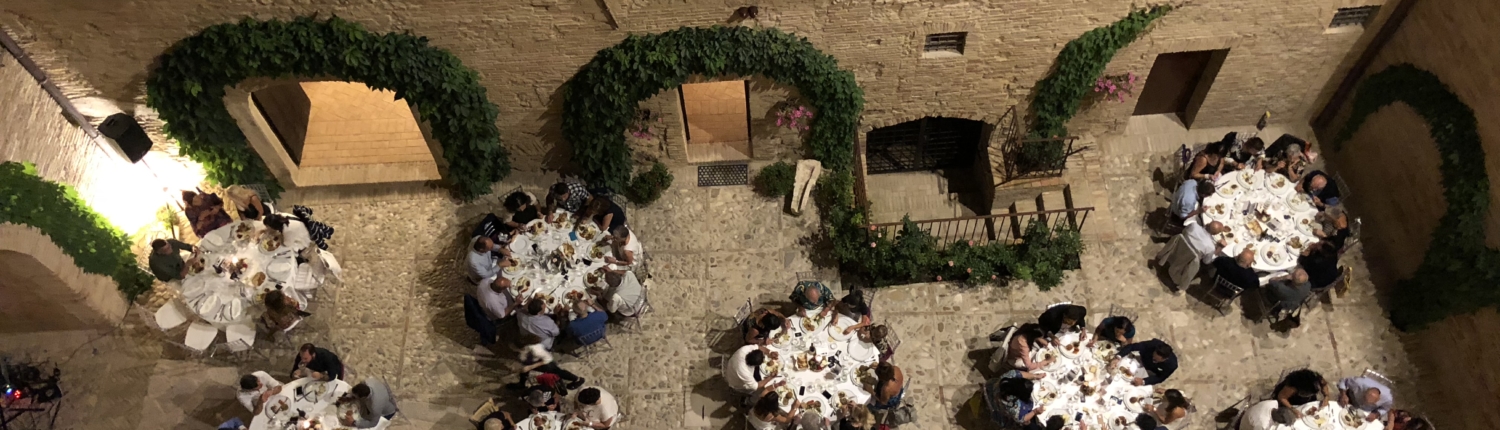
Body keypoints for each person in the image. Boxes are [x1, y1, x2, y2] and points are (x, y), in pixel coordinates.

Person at [1155, 220, 1229, 292]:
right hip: (1188, 261)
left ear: (1208, 223)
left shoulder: (1194, 226)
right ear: (1215, 234)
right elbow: (1206, 261)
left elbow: (1183, 233)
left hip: (1177, 249)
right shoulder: (1210, 247)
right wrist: (1220, 248)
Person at [514, 332, 586, 389]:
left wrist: (530, 367)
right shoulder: (527, 348)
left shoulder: (537, 350)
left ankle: (577, 379)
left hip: (543, 363)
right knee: (524, 371)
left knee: (558, 372)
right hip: (531, 360)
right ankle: (522, 384)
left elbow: (548, 359)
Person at [1112, 339, 1177, 385]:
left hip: (1149, 371)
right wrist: (1118, 357)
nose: (1153, 359)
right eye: (1153, 356)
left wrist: (1143, 381)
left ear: (1165, 359)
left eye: (1156, 359)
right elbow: (1132, 347)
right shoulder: (1153, 344)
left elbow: (1160, 378)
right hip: (1141, 359)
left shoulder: (1172, 365)